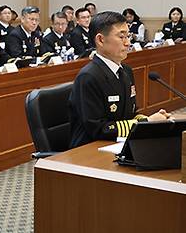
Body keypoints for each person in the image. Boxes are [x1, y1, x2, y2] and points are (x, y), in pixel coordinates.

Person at [69, 12, 169, 148]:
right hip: (88, 150)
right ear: (100, 40)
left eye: (128, 36)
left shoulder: (126, 71)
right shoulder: (88, 77)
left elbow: (130, 114)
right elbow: (99, 129)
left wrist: (151, 121)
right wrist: (146, 122)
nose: (128, 43)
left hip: (116, 144)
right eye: (121, 37)